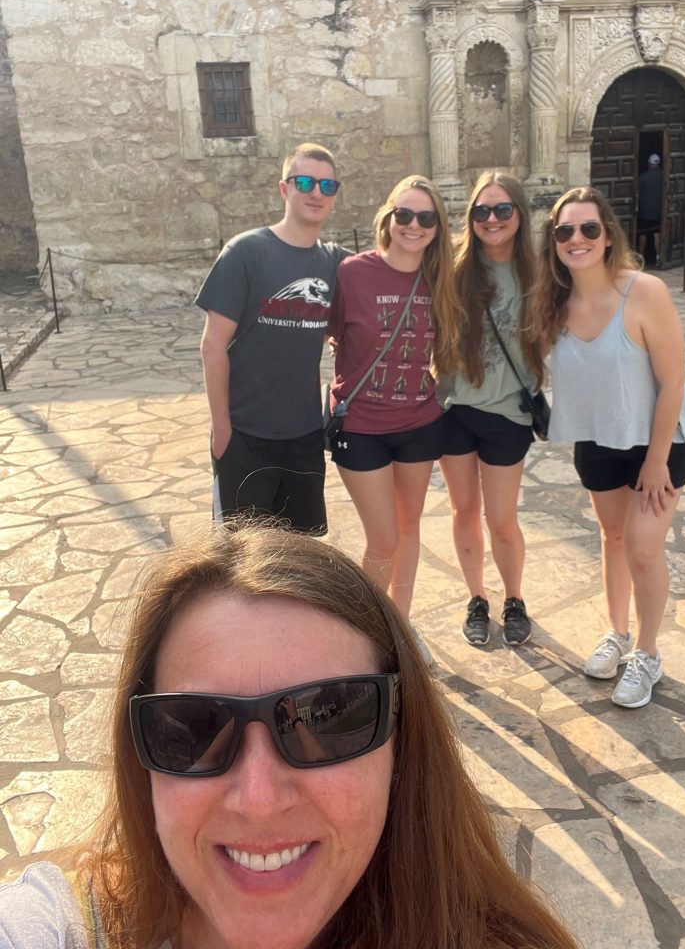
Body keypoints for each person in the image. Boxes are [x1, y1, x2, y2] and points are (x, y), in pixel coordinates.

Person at [0, 526, 581, 949]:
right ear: (141, 759)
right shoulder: (59, 925)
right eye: (194, 727)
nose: (259, 798)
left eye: (327, 718)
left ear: (404, 747)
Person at [530, 186, 685, 709]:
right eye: (564, 231)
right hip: (598, 438)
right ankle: (616, 633)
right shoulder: (553, 304)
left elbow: (673, 382)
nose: (576, 239)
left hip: (659, 440)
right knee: (613, 536)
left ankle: (647, 653)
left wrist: (655, 460)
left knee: (644, 547)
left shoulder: (644, 292)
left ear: (607, 236)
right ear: (553, 241)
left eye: (588, 229)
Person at [326, 176, 464, 616]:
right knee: (382, 538)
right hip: (361, 425)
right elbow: (331, 333)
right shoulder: (352, 273)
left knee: (408, 528)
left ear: (438, 228)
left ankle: (400, 624)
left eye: (426, 218)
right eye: (404, 214)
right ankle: (367, 627)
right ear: (388, 218)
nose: (413, 225)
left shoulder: (442, 280)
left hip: (418, 424)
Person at [196, 142, 350, 533]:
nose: (316, 193)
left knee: (297, 557)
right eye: (305, 182)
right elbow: (213, 346)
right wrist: (223, 431)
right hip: (245, 435)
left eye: (327, 187)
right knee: (238, 561)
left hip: (303, 436)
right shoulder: (246, 252)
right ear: (284, 189)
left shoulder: (337, 264)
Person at [438, 171, 540, 649]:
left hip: (508, 413)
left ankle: (514, 598)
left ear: (519, 214)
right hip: (454, 409)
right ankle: (476, 596)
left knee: (502, 517)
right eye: (482, 211)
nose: (492, 219)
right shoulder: (454, 267)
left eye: (502, 210)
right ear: (471, 217)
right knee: (464, 510)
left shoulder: (540, 272)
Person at [636, 153, 663, 266]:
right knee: (657, 235)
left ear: (649, 163)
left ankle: (641, 259)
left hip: (645, 210)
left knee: (643, 234)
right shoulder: (664, 176)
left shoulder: (643, 176)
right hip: (658, 211)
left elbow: (637, 192)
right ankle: (658, 258)